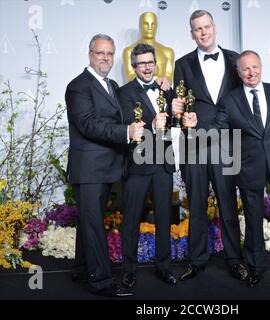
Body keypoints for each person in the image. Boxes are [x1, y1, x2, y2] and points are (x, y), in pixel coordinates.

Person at [202, 50, 270, 287]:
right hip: (250, 167)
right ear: (238, 73)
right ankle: (256, 267)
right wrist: (194, 129)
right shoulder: (230, 100)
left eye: (254, 67)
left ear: (260, 67)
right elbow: (216, 129)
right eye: (245, 69)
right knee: (253, 219)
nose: (251, 72)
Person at [65, 34, 144, 297]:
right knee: (94, 224)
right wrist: (126, 132)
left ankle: (81, 268)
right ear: (90, 54)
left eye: (110, 53)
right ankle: (101, 281)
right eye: (101, 53)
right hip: (90, 169)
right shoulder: (78, 86)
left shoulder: (110, 84)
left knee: (90, 220)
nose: (106, 58)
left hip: (106, 167)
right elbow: (87, 124)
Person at [172, 10, 247, 282]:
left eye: (206, 27)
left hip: (227, 142)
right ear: (192, 34)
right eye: (197, 29)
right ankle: (197, 260)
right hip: (194, 144)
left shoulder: (235, 60)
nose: (203, 32)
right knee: (196, 203)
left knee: (228, 202)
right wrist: (177, 113)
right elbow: (177, 105)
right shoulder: (182, 64)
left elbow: (248, 90)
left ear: (214, 28)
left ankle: (234, 259)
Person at [117, 43, 177, 288]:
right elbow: (129, 125)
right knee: (131, 220)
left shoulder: (165, 89)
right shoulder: (124, 93)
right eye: (142, 63)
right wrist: (153, 124)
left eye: (150, 62)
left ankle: (163, 267)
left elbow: (175, 121)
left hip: (163, 164)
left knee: (164, 219)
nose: (147, 67)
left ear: (155, 63)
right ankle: (129, 271)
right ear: (133, 67)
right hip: (138, 166)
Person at [123, 12, 174, 83]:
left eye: (153, 24)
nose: (150, 28)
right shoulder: (128, 51)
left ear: (157, 26)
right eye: (146, 24)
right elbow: (130, 76)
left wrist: (158, 81)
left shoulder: (168, 52)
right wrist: (153, 80)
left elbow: (169, 77)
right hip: (138, 93)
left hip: (163, 93)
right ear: (140, 25)